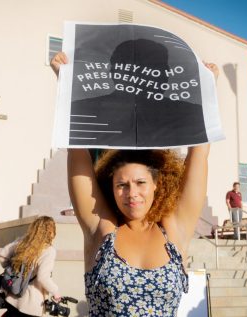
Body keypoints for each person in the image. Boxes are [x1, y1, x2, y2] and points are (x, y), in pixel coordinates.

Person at [51, 52, 219, 316]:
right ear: (111, 188)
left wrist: (207, 91)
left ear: (156, 185)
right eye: (122, 185)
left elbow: (199, 154)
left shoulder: (175, 230)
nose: (132, 193)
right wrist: (67, 86)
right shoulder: (101, 230)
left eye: (141, 182)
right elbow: (77, 152)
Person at [0, 216, 61, 317]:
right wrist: (56, 291)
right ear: (51, 231)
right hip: (31, 304)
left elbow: (2, 256)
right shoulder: (49, 250)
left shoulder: (22, 242)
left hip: (12, 298)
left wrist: (14, 272)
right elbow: (43, 277)